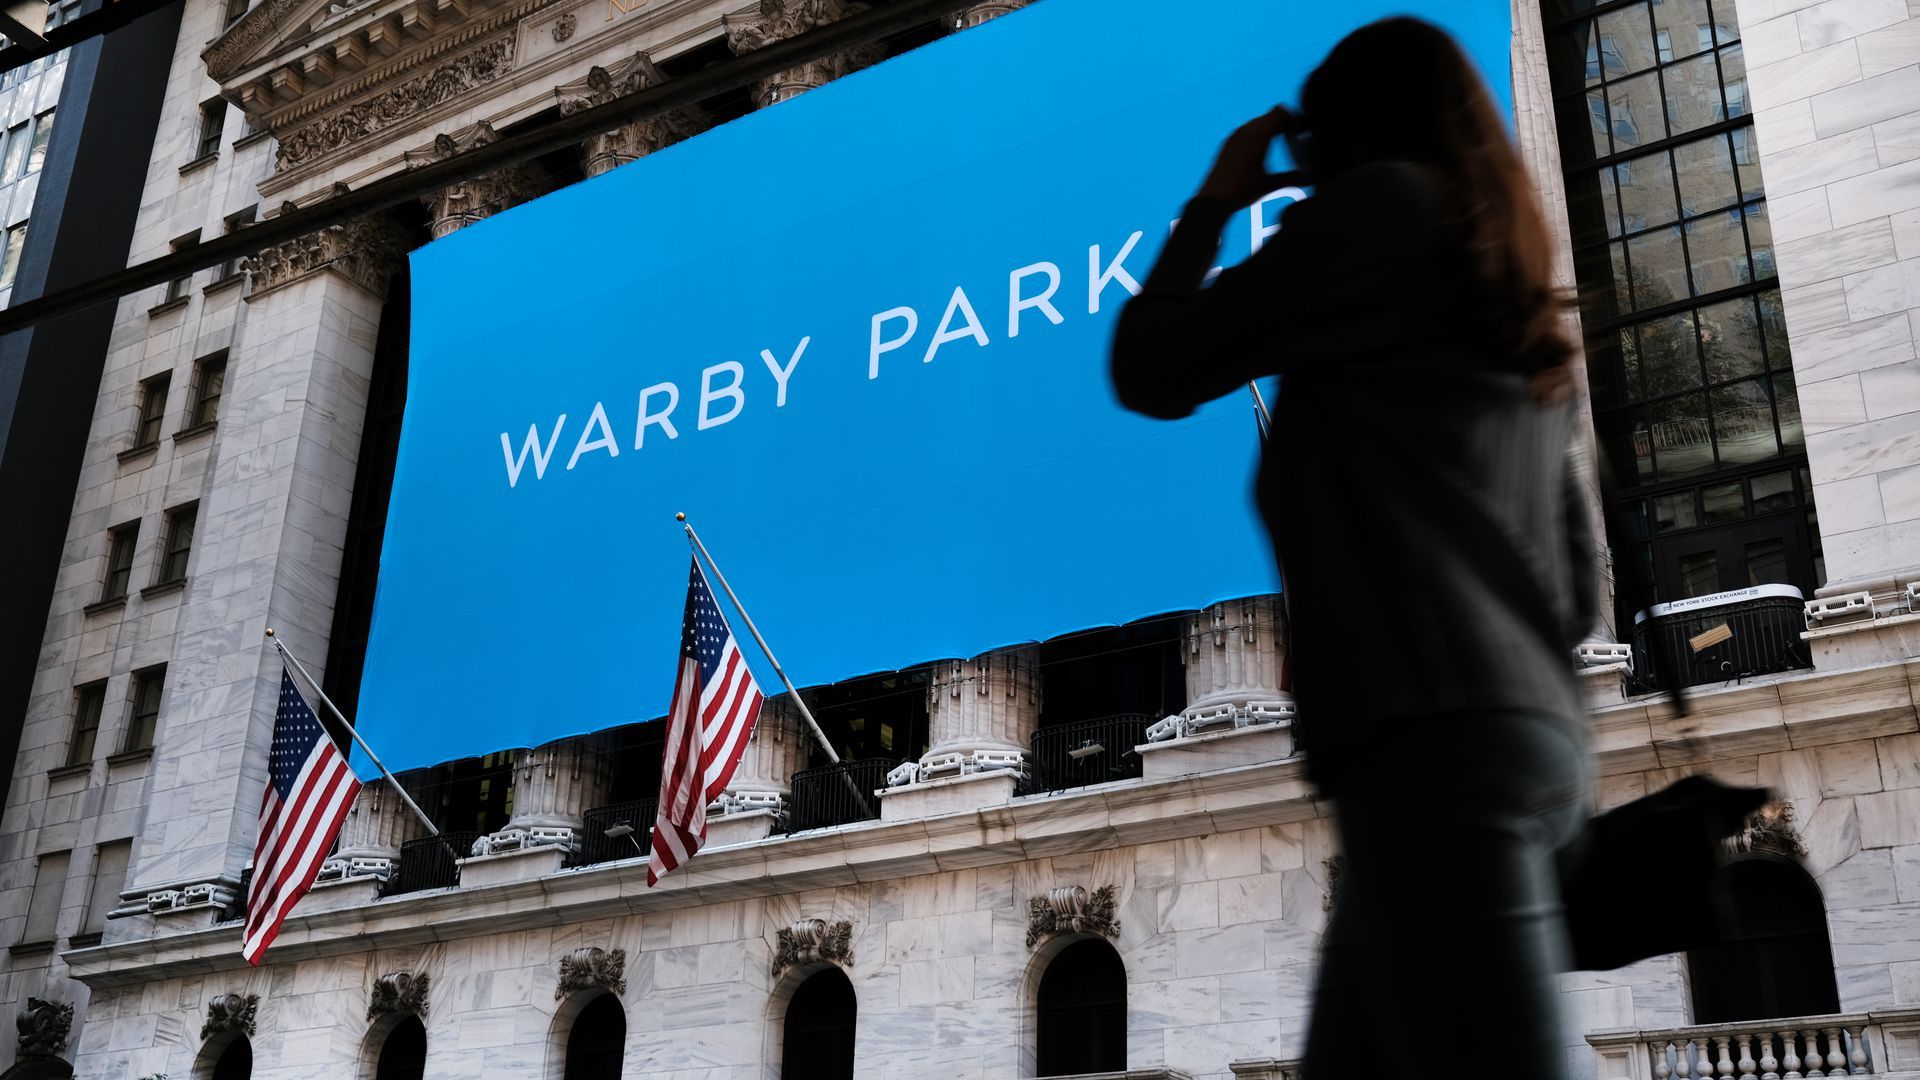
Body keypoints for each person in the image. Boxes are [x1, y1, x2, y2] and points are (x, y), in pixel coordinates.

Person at [1110, 17, 1597, 1079]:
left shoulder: (1375, 217)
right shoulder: (1498, 277)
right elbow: (1578, 580)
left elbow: (1149, 366)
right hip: (1509, 736)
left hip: (1430, 737)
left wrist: (1216, 200)